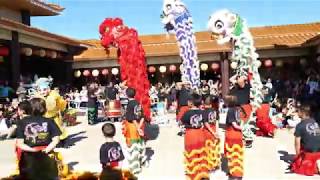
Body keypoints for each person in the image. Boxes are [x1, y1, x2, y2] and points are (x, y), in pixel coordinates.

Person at [16, 98, 61, 180]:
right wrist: (47, 149)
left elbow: (20, 143)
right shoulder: (50, 121)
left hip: (29, 157)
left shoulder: (22, 122)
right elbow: (56, 139)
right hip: (47, 155)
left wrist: (33, 150)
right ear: (44, 109)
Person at [181, 93, 209, 180]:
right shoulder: (203, 112)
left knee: (192, 154)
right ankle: (202, 174)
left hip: (191, 135)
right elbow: (205, 123)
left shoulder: (187, 113)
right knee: (201, 154)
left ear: (191, 103)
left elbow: (182, 123)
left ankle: (193, 175)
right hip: (200, 134)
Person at [122, 87, 147, 174]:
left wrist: (137, 127)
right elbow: (143, 116)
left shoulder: (129, 104)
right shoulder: (138, 103)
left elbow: (131, 118)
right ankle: (142, 161)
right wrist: (140, 127)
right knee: (139, 143)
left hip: (132, 126)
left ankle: (135, 167)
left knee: (133, 146)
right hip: (139, 124)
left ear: (126, 95)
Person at [291, 104, 320, 176]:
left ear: (302, 113)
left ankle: (314, 165)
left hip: (309, 154)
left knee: (297, 166)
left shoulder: (300, 125)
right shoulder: (315, 122)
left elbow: (297, 143)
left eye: (298, 111)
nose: (297, 113)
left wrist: (297, 156)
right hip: (319, 153)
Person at [224, 95, 244, 180]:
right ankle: (238, 172)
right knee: (238, 154)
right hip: (238, 134)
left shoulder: (230, 111)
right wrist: (242, 129)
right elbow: (241, 121)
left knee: (232, 154)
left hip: (232, 133)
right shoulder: (238, 110)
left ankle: (234, 173)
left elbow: (234, 124)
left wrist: (240, 128)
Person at [202, 95, 221, 171]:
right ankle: (215, 163)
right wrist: (216, 132)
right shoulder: (214, 110)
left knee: (207, 149)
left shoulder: (204, 112)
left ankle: (209, 165)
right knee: (214, 148)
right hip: (214, 129)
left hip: (208, 132)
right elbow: (216, 121)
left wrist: (212, 132)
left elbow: (206, 123)